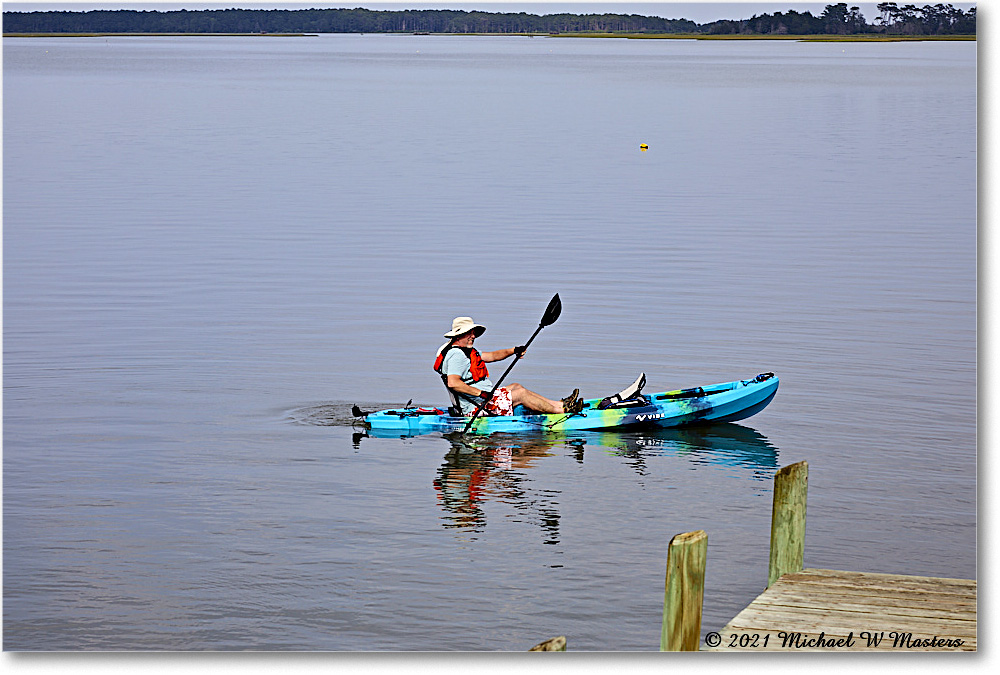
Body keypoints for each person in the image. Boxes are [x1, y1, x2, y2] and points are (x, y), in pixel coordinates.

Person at [433, 316, 583, 416]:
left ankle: (560, 404)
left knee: (516, 386)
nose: (473, 336)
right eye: (469, 333)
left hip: (483, 399)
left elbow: (492, 356)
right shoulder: (456, 355)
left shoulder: (466, 351)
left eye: (473, 333)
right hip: (476, 407)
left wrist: (514, 350)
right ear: (458, 335)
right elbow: (453, 383)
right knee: (520, 394)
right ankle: (561, 411)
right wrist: (480, 393)